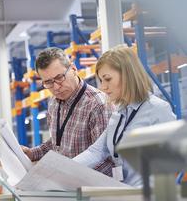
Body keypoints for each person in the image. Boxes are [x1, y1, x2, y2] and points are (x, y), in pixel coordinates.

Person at [73, 45, 176, 186]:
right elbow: (96, 151)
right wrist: (61, 168)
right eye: (101, 81)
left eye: (107, 79)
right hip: (125, 191)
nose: (103, 86)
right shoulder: (119, 113)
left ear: (128, 75)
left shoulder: (157, 109)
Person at [22, 47, 114, 175]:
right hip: (65, 186)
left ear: (73, 69)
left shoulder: (97, 105)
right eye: (48, 82)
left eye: (59, 77)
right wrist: (32, 153)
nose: (56, 87)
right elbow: (57, 143)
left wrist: (67, 174)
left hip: (90, 189)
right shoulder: (54, 102)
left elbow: (106, 160)